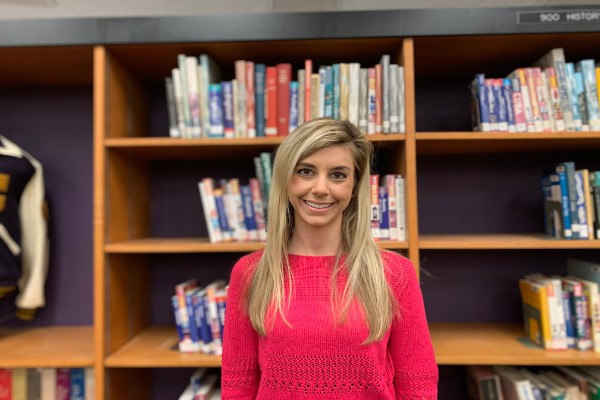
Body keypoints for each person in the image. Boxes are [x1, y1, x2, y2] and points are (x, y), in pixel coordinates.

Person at [221, 118, 438, 399]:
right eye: (306, 171)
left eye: (338, 175)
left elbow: (418, 384)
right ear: (286, 179)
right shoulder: (251, 273)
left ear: (354, 186)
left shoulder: (394, 273)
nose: (321, 188)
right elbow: (238, 384)